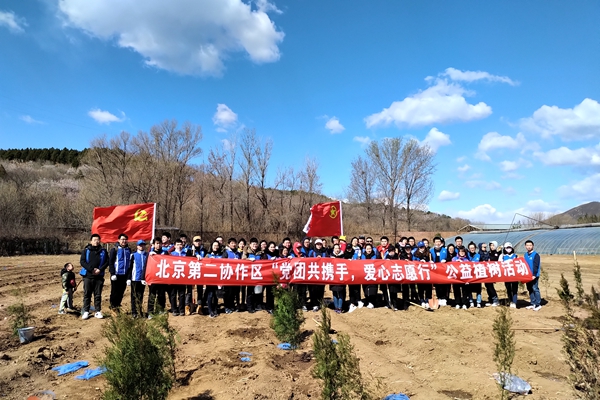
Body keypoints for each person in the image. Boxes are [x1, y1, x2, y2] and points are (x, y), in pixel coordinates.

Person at [80, 233, 109, 320]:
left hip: (99, 276)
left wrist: (100, 269)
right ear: (91, 241)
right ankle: (86, 311)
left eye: (98, 240)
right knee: (87, 294)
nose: (96, 241)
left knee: (98, 295)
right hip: (88, 276)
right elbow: (82, 261)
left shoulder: (103, 251)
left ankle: (98, 311)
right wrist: (91, 269)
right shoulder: (86, 251)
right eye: (94, 240)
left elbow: (107, 262)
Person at [108, 233, 132, 311]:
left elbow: (130, 264)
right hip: (116, 274)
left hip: (124, 275)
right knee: (114, 291)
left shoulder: (129, 250)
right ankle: (113, 306)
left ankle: (117, 305)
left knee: (121, 292)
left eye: (125, 239)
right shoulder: (114, 250)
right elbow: (111, 262)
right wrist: (112, 273)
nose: (124, 241)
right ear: (118, 240)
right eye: (122, 239)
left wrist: (128, 277)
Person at [147, 238, 167, 317]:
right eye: (157, 243)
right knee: (152, 295)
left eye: (160, 243)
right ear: (153, 244)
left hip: (162, 277)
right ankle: (150, 312)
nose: (158, 245)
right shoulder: (150, 254)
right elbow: (146, 265)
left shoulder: (165, 253)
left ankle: (160, 310)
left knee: (161, 295)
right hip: (153, 278)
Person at [128, 240, 148, 318]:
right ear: (137, 246)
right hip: (135, 278)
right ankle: (134, 312)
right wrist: (128, 278)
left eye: (143, 245)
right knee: (134, 296)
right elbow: (130, 267)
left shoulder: (147, 255)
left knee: (140, 296)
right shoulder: (133, 255)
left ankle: (139, 310)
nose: (142, 246)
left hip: (143, 279)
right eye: (140, 245)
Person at [187, 236, 206, 315]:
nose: (197, 243)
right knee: (190, 291)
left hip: (200, 273)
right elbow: (187, 259)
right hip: (191, 272)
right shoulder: (189, 250)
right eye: (196, 241)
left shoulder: (204, 250)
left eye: (199, 241)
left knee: (200, 290)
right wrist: (194, 255)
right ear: (193, 242)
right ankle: (188, 306)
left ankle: (199, 306)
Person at [243, 238, 262, 313]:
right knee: (250, 291)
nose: (255, 245)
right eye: (253, 244)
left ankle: (256, 305)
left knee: (257, 291)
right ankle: (249, 307)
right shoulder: (246, 252)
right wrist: (248, 260)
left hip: (258, 274)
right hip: (249, 275)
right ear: (250, 245)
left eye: (256, 244)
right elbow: (242, 260)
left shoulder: (260, 252)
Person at [222, 238, 241, 314]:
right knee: (227, 292)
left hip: (236, 276)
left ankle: (232, 306)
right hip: (228, 275)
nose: (234, 244)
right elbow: (222, 262)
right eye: (232, 243)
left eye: (234, 243)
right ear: (229, 244)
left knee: (234, 292)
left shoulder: (238, 253)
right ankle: (227, 307)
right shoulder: (226, 252)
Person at [308, 239, 328, 311]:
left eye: (320, 244)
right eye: (317, 244)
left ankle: (319, 302)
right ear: (315, 245)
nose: (319, 246)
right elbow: (307, 260)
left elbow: (328, 261)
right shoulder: (312, 252)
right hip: (313, 272)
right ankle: (314, 303)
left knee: (321, 289)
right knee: (313, 289)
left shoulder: (325, 252)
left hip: (322, 273)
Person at [205, 241, 224, 318]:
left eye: (217, 245)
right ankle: (210, 310)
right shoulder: (208, 255)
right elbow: (204, 264)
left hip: (218, 277)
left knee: (216, 294)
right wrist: (209, 260)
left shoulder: (221, 255)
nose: (216, 247)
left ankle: (215, 309)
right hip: (210, 277)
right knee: (210, 294)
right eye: (214, 245)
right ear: (211, 246)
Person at [169, 239, 188, 316]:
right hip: (174, 277)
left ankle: (181, 309)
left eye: (180, 244)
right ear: (174, 246)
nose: (179, 246)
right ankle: (174, 309)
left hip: (182, 277)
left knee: (182, 294)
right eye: (177, 244)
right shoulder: (171, 254)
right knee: (173, 294)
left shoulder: (185, 254)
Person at [345, 237, 363, 313]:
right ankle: (352, 302)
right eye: (354, 241)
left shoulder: (358, 250)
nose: (355, 242)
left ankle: (358, 300)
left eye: (356, 241)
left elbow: (360, 259)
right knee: (351, 287)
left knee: (357, 286)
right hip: (349, 272)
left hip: (357, 271)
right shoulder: (345, 252)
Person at [524, 240, 542, 311]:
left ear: (533, 246)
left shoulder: (536, 255)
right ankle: (532, 303)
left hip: (534, 275)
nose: (529, 247)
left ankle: (538, 304)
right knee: (530, 289)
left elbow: (536, 265)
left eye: (530, 245)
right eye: (527, 245)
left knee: (535, 288)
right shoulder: (525, 255)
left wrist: (534, 275)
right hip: (528, 275)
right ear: (525, 246)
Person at [430, 237, 448, 306]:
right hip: (435, 270)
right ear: (434, 243)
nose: (437, 243)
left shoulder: (445, 250)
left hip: (443, 270)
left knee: (444, 284)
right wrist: (430, 261)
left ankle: (444, 298)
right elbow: (428, 258)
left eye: (439, 242)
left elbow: (449, 257)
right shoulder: (431, 250)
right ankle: (439, 297)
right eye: (436, 242)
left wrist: (446, 260)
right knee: (437, 284)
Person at [414, 242, 432, 308]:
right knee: (420, 287)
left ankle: (427, 300)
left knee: (428, 288)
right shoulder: (415, 254)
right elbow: (413, 262)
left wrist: (429, 262)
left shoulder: (428, 253)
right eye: (420, 247)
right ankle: (421, 300)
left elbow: (431, 260)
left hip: (427, 273)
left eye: (423, 247)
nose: (422, 248)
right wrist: (419, 262)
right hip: (419, 273)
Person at [361, 243, 379, 309]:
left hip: (373, 274)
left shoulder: (375, 255)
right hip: (365, 274)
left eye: (370, 248)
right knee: (365, 288)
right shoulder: (362, 256)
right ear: (365, 249)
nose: (369, 250)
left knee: (373, 288)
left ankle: (372, 301)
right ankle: (367, 300)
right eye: (367, 249)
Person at [330, 243, 346, 313]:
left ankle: (340, 307)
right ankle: (336, 307)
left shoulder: (343, 256)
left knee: (341, 293)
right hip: (333, 277)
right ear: (333, 249)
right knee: (334, 293)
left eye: (338, 248)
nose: (337, 250)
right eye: (335, 248)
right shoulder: (330, 256)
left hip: (341, 277)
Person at [481, 242, 498, 307]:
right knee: (487, 286)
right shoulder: (487, 253)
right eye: (491, 245)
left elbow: (495, 260)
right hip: (486, 272)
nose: (492, 246)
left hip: (492, 272)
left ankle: (495, 300)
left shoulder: (497, 253)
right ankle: (490, 299)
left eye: (493, 245)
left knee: (490, 286)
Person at [502, 242, 519, 308]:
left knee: (514, 289)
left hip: (514, 275)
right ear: (504, 248)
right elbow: (500, 264)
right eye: (507, 248)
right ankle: (510, 300)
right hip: (506, 275)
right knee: (508, 288)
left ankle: (514, 302)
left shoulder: (515, 255)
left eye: (510, 248)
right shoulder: (502, 256)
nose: (508, 249)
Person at [467, 241, 482, 308]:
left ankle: (478, 302)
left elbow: (483, 263)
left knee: (478, 289)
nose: (472, 249)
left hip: (477, 275)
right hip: (469, 275)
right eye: (471, 248)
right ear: (469, 249)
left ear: (475, 248)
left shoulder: (478, 255)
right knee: (469, 289)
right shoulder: (467, 255)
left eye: (473, 248)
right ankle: (471, 301)